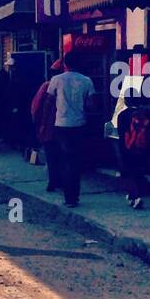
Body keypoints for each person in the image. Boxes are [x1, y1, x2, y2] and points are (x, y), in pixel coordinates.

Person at [46, 52, 95, 206]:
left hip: (61, 125)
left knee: (65, 159)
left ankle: (69, 197)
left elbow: (49, 101)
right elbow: (91, 104)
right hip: (79, 124)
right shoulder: (87, 81)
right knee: (75, 160)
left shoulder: (56, 80)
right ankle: (74, 196)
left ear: (65, 64)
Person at [30, 59, 64, 192]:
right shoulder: (70, 84)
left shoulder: (46, 86)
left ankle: (53, 181)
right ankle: (61, 181)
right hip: (66, 126)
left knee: (51, 156)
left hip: (49, 127)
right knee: (62, 156)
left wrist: (38, 124)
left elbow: (35, 107)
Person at [118, 95, 150, 209]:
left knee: (129, 173)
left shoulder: (122, 115)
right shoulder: (146, 114)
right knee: (139, 172)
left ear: (126, 102)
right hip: (142, 148)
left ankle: (135, 196)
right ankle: (135, 196)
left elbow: (121, 133)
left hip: (128, 148)